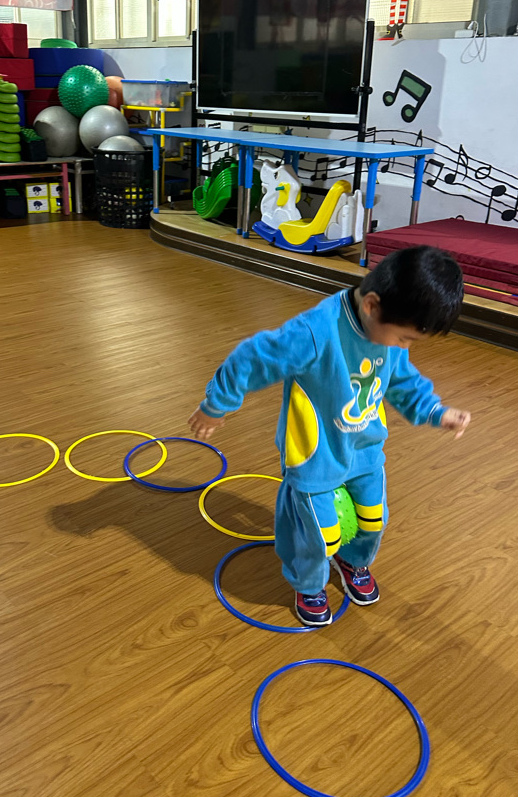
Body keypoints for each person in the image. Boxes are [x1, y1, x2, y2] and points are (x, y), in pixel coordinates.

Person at [189, 245, 471, 626]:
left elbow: (402, 380)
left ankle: (352, 562)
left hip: (365, 452)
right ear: (371, 306)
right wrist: (216, 404)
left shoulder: (388, 332)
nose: (403, 348)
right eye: (404, 339)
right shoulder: (315, 332)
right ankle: (308, 584)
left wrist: (436, 411)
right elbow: (254, 358)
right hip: (315, 456)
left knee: (374, 518)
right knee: (319, 533)